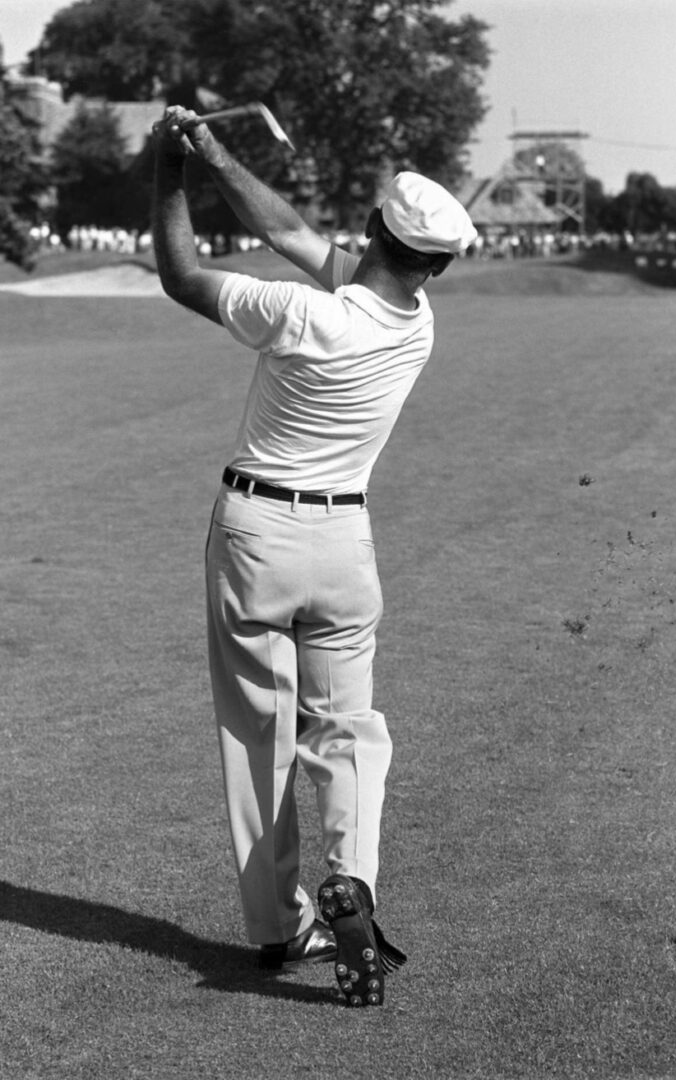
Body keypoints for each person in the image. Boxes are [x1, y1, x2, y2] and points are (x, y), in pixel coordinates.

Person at [151, 105, 477, 1007]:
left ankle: (279, 926)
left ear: (370, 228)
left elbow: (181, 275)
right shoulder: (415, 324)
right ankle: (354, 882)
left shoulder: (299, 311)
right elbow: (287, 228)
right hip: (343, 545)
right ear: (438, 262)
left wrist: (170, 171)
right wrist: (215, 149)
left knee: (259, 737)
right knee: (348, 732)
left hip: (255, 533)